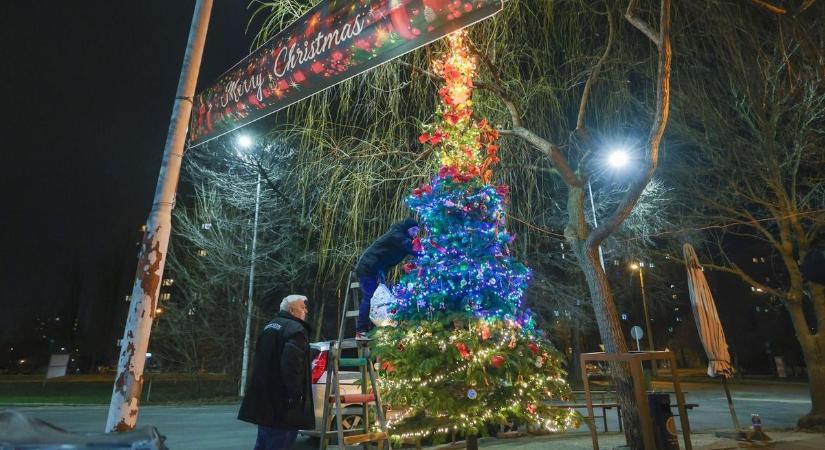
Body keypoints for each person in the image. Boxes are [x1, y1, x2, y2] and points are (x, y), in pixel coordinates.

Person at [238, 294, 314, 450]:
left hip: (265, 401)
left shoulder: (269, 326)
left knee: (263, 444)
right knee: (280, 443)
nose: (305, 310)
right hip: (282, 405)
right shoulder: (296, 330)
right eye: (302, 307)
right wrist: (295, 395)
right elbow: (291, 366)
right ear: (292, 310)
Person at [354, 218, 419, 339]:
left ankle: (374, 329)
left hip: (378, 269)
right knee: (371, 298)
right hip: (368, 267)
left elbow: (412, 249)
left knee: (380, 299)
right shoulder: (397, 234)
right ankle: (360, 330)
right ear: (407, 228)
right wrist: (422, 248)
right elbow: (408, 245)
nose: (415, 233)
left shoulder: (403, 237)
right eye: (413, 230)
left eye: (417, 231)